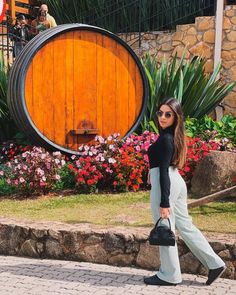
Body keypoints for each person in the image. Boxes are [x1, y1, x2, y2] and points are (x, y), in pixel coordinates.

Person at [144, 98, 226, 286]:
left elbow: (163, 170)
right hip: (176, 181)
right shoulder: (170, 135)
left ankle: (169, 275)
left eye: (168, 114)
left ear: (176, 117)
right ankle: (215, 264)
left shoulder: (166, 139)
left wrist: (164, 203)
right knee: (185, 226)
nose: (162, 117)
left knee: (165, 228)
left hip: (166, 183)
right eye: (160, 113)